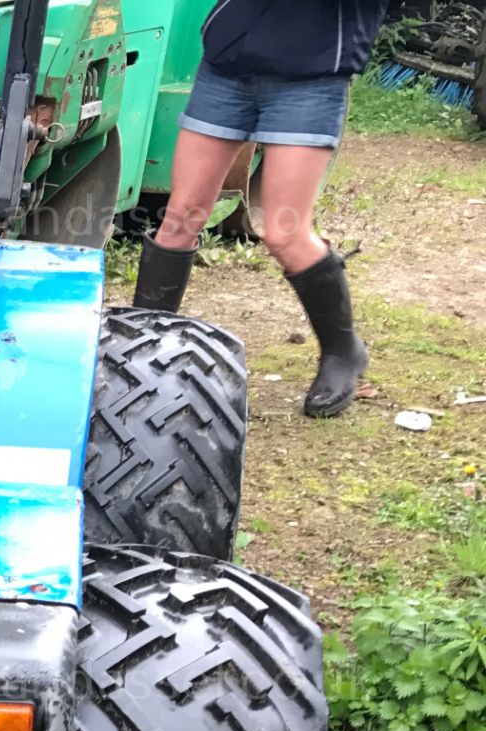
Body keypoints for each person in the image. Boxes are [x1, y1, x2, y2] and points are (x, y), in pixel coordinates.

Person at [133, 0, 389, 418]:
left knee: (284, 231)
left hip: (312, 74)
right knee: (181, 216)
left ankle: (344, 351)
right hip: (228, 64)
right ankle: (139, 348)